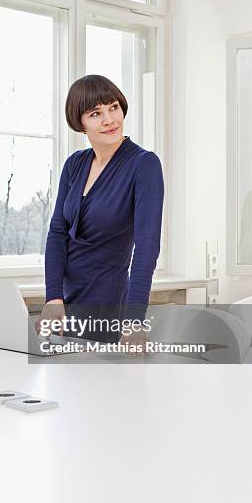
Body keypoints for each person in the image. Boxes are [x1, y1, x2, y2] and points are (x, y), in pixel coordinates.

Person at [41, 74, 164, 343]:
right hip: (66, 303)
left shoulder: (144, 165)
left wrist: (134, 320)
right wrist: (53, 297)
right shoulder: (75, 164)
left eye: (113, 107)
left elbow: (147, 246)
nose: (109, 119)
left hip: (108, 306)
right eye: (95, 113)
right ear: (80, 123)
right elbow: (57, 233)